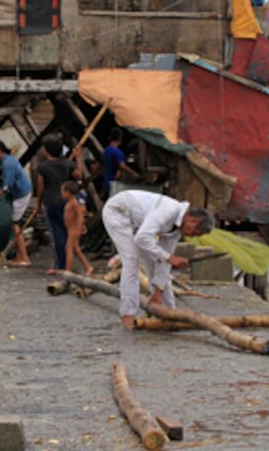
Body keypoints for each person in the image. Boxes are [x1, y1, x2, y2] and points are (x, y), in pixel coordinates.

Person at [101, 191, 215, 330]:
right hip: (117, 212)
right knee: (132, 261)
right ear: (193, 221)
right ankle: (128, 316)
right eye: (195, 232)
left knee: (157, 261)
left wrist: (157, 293)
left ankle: (170, 314)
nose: (192, 236)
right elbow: (142, 239)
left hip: (138, 223)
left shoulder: (176, 229)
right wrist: (170, 258)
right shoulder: (168, 211)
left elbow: (164, 262)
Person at [35, 137, 80, 274]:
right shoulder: (68, 164)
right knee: (68, 232)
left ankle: (61, 265)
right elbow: (79, 175)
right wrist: (78, 159)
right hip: (67, 202)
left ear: (46, 150)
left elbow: (41, 188)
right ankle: (68, 263)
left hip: (51, 202)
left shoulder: (42, 167)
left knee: (57, 233)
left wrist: (38, 203)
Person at [0, 138, 32, 267]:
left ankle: (24, 258)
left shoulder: (8, 163)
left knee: (15, 225)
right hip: (19, 193)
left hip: (21, 195)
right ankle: (20, 257)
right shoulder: (7, 160)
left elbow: (6, 185)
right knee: (14, 225)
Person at [61, 181, 94, 276]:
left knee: (68, 249)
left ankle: (68, 270)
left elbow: (80, 215)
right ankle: (88, 267)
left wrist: (80, 227)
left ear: (68, 192)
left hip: (73, 230)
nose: (62, 194)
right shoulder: (70, 202)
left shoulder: (74, 203)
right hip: (70, 229)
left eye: (62, 191)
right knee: (76, 250)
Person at [100, 128, 139, 199]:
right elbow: (122, 166)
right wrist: (133, 173)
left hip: (105, 182)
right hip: (113, 184)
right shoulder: (118, 152)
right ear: (120, 138)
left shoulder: (106, 151)